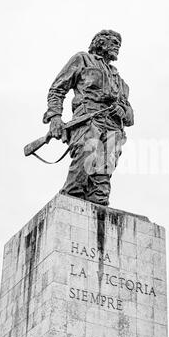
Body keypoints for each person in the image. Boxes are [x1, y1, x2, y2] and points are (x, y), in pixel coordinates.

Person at [43, 29, 134, 205]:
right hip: (87, 120)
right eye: (114, 42)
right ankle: (69, 204)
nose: (118, 47)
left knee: (102, 180)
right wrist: (55, 117)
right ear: (100, 42)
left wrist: (123, 110)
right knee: (83, 165)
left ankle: (98, 208)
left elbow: (130, 117)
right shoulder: (82, 59)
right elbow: (57, 89)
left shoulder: (120, 81)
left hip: (113, 128)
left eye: (119, 44)